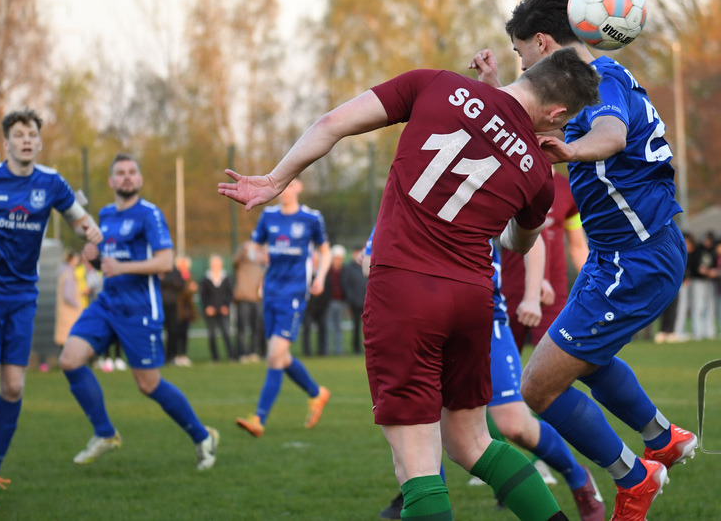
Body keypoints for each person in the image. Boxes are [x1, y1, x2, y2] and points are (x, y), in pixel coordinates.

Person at [220, 47, 600, 520]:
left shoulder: (436, 84)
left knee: (417, 463)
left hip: (405, 292)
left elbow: (332, 123)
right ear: (557, 111)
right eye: (566, 124)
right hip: (473, 299)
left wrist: (277, 180)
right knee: (473, 442)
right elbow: (520, 243)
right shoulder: (540, 174)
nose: (561, 133)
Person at [471, 0, 697, 520]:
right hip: (619, 257)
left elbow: (612, 134)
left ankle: (634, 476)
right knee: (582, 361)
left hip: (637, 257)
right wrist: (492, 89)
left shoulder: (600, 84)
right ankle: (660, 437)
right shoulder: (581, 88)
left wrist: (572, 150)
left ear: (544, 44)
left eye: (521, 54)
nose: (520, 65)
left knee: (538, 387)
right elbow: (526, 119)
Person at [378, 238, 606, 521]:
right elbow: (371, 256)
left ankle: (577, 477)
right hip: (421, 316)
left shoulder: (483, 195)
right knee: (425, 431)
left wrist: (533, 293)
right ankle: (430, 493)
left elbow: (529, 234)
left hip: (482, 314)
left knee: (512, 424)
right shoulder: (405, 202)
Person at [0, 108, 103, 509]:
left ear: (39, 143)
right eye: (19, 134)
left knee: (14, 386)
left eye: (32, 134)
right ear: (6, 142)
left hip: (23, 297)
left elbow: (79, 217)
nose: (26, 140)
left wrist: (90, 230)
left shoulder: (51, 182)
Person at [58, 153, 219, 471]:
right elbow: (104, 256)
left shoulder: (150, 215)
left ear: (140, 180)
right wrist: (92, 255)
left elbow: (165, 261)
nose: (127, 177)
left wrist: (122, 267)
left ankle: (202, 436)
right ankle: (105, 433)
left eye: (132, 172)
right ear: (111, 181)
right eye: (120, 173)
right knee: (69, 360)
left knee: (147, 384)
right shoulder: (104, 214)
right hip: (107, 304)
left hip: (140, 310)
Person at [235, 178, 332, 438]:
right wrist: (258, 255)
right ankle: (316, 393)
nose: (285, 190)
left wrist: (320, 277)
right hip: (270, 293)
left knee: (274, 355)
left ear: (299, 186)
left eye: (290, 185)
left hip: (294, 294)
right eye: (282, 185)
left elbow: (326, 251)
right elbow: (253, 249)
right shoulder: (268, 216)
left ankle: (258, 418)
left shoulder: (312, 218)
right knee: (282, 357)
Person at [499, 170, 588, 351]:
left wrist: (593, 287)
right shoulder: (511, 182)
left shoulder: (568, 189)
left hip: (553, 293)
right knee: (501, 365)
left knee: (553, 361)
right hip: (510, 288)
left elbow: (578, 247)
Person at [232, 240, 266, 362]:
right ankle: (241, 354)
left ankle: (252, 352)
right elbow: (235, 259)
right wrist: (244, 248)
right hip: (243, 299)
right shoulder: (241, 263)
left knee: (256, 328)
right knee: (242, 328)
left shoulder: (260, 265)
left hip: (257, 300)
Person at [199, 254, 236, 362]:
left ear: (221, 264)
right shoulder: (206, 278)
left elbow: (229, 294)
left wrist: (226, 306)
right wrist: (207, 307)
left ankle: (231, 356)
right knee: (212, 335)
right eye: (213, 264)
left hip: (223, 310)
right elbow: (203, 295)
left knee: (226, 332)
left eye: (217, 264)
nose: (215, 266)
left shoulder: (226, 277)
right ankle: (215, 358)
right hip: (210, 311)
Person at [55, 251, 89, 351]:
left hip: (65, 312)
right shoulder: (69, 275)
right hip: (70, 313)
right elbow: (68, 295)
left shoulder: (64, 272)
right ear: (71, 260)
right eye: (76, 258)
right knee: (70, 339)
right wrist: (78, 304)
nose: (77, 260)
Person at [689, 233, 718, 340]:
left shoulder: (714, 251)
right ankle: (697, 332)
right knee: (698, 306)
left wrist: (711, 272)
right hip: (698, 281)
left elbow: (716, 265)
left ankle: (710, 331)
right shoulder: (698, 250)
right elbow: (693, 265)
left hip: (710, 281)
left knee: (710, 307)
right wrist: (699, 271)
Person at [342, 247, 369, 354]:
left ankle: (368, 347)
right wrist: (351, 299)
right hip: (355, 302)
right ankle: (356, 348)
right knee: (356, 327)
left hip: (367, 302)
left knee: (369, 328)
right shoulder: (348, 268)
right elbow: (346, 286)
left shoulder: (367, 266)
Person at [323, 245, 348, 356]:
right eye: (336, 258)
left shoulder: (345, 272)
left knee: (339, 327)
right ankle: (327, 350)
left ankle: (339, 350)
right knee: (329, 327)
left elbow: (347, 288)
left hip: (341, 302)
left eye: (340, 259)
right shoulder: (327, 272)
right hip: (329, 302)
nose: (338, 261)